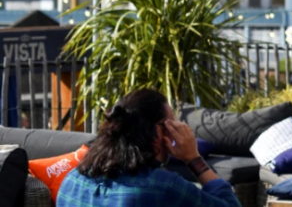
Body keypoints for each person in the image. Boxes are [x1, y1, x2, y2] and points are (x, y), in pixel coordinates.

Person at [57, 89, 241, 207]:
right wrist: (194, 158)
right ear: (156, 131)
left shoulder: (71, 180)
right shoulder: (163, 187)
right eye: (170, 124)